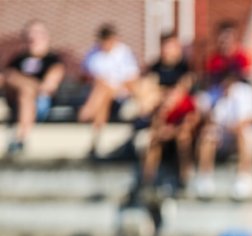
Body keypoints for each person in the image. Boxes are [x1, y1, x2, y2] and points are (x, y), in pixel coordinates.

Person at [140, 33, 197, 189]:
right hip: (161, 119)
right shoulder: (155, 68)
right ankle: (148, 183)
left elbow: (183, 93)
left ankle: (186, 177)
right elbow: (148, 95)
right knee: (153, 140)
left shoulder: (185, 68)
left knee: (184, 136)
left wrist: (166, 96)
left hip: (181, 119)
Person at [193, 70, 252, 200]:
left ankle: (244, 177)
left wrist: (233, 127)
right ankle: (205, 177)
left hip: (242, 133)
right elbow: (211, 120)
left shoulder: (246, 92)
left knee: (244, 134)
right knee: (208, 135)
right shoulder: (215, 94)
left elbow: (250, 118)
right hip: (224, 135)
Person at [2, 20, 65, 156]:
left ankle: (21, 138)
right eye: (30, 34)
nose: (33, 38)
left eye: (37, 34)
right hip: (15, 99)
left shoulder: (53, 60)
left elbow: (48, 87)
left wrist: (20, 81)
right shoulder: (19, 59)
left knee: (24, 90)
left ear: (46, 37)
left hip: (39, 104)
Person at [79, 24, 140, 157]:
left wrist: (109, 84)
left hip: (122, 93)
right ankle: (97, 137)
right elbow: (87, 76)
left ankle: (89, 111)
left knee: (103, 89)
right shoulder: (93, 53)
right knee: (103, 93)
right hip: (101, 94)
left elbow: (132, 80)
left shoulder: (124, 53)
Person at [205, 21, 252, 91]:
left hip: (239, 90)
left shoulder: (242, 56)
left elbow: (247, 74)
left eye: (227, 38)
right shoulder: (215, 59)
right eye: (222, 38)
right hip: (220, 91)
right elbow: (210, 79)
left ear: (234, 38)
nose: (225, 42)